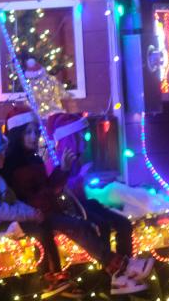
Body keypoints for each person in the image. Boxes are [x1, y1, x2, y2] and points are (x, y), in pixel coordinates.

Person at [0, 106, 153, 296]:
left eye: (35, 131)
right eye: (28, 132)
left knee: (91, 224)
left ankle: (119, 272)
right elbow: (20, 195)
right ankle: (119, 267)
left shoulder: (34, 159)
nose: (33, 137)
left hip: (47, 210)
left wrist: (63, 169)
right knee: (81, 226)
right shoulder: (9, 163)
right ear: (17, 134)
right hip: (34, 215)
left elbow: (48, 186)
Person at [0, 128, 73, 299]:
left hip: (5, 220)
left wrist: (32, 211)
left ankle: (54, 274)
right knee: (39, 232)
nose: (3, 156)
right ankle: (49, 277)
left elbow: (12, 202)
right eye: (0, 154)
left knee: (42, 225)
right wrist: (30, 216)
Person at [43, 112, 144, 275]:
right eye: (81, 135)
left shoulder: (76, 159)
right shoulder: (56, 162)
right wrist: (74, 175)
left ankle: (127, 266)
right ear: (71, 138)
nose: (85, 138)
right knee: (101, 224)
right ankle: (112, 271)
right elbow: (58, 195)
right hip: (71, 210)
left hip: (82, 204)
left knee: (124, 223)